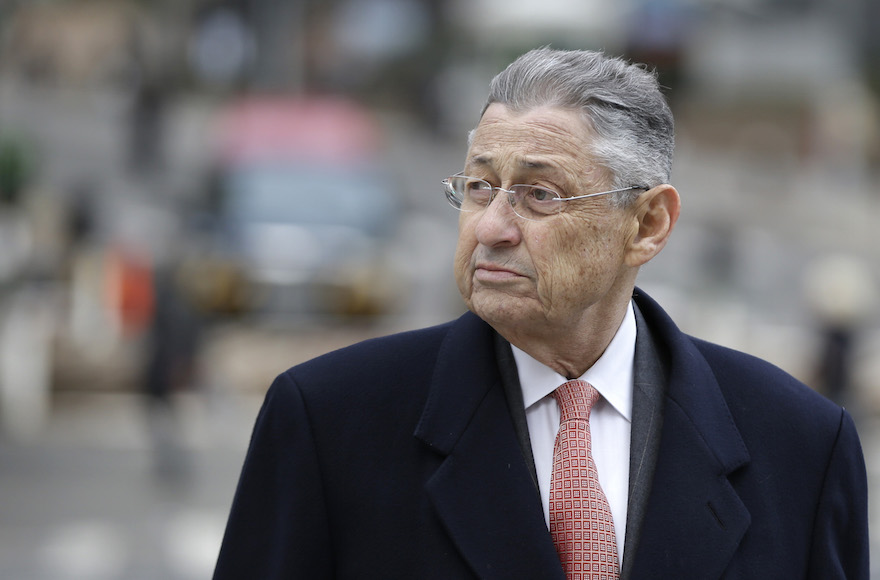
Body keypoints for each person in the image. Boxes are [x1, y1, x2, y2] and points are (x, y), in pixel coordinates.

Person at [213, 48, 868, 579]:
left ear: (647, 223)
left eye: (539, 194)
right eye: (478, 187)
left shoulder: (801, 446)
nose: (492, 227)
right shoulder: (330, 421)